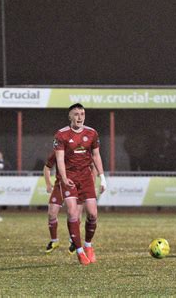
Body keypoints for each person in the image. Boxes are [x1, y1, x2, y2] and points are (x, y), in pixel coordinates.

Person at [53, 103, 107, 265]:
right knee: (72, 212)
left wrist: (103, 177)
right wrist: (63, 177)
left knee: (93, 214)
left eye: (82, 114)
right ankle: (79, 251)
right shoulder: (61, 135)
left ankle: (88, 245)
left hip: (86, 177)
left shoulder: (92, 133)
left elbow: (96, 156)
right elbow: (59, 159)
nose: (79, 117)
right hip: (69, 176)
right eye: (76, 114)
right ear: (70, 116)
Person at [43, 151, 97, 255]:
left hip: (75, 185)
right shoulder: (58, 151)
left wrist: (92, 182)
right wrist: (48, 184)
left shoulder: (82, 151)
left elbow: (93, 165)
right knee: (51, 213)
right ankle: (54, 241)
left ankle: (73, 241)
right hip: (60, 184)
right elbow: (47, 167)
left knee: (75, 213)